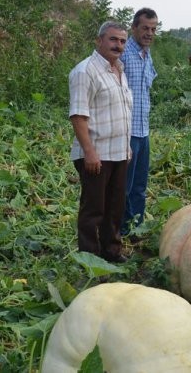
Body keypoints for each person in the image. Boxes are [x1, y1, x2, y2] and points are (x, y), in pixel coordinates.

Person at [69, 21, 132, 263]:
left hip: (118, 152)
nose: (119, 45)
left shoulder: (119, 70)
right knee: (94, 208)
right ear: (99, 41)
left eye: (123, 41)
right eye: (113, 39)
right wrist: (89, 152)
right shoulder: (85, 71)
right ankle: (89, 257)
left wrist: (126, 148)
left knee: (115, 207)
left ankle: (111, 251)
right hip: (96, 153)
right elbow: (78, 115)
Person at [121, 8, 158, 239]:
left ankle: (137, 227)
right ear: (134, 28)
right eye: (145, 28)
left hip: (143, 131)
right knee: (123, 186)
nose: (149, 33)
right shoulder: (123, 54)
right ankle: (122, 230)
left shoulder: (147, 54)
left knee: (139, 187)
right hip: (126, 132)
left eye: (153, 29)